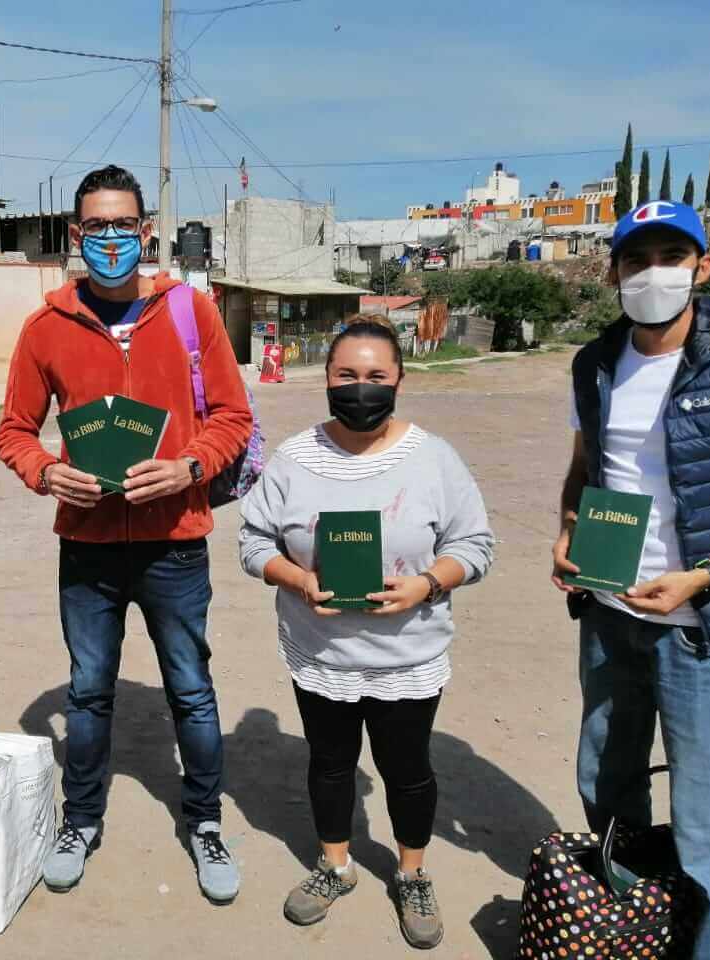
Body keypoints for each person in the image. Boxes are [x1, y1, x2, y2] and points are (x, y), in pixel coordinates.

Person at [0, 165, 253, 903]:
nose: (111, 240)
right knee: (88, 692)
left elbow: (233, 417)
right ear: (76, 234)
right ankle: (82, 820)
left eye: (123, 226)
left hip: (176, 540)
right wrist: (46, 472)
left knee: (192, 691)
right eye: (95, 227)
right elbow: (14, 431)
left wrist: (189, 469)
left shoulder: (188, 311)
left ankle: (204, 823)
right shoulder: (46, 327)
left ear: (146, 232)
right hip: (89, 545)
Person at [552, 200, 710, 959]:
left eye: (670, 257)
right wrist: (567, 535)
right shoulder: (596, 362)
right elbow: (590, 469)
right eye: (636, 258)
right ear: (615, 270)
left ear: (702, 266)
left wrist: (706, 575)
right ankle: (628, 928)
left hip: (702, 633)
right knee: (607, 785)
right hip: (612, 617)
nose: (652, 273)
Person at [239, 316, 493, 946]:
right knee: (328, 764)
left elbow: (475, 544)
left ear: (400, 378)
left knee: (407, 769)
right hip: (321, 651)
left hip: (408, 654)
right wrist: (295, 579)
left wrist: (428, 583)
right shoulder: (294, 459)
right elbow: (252, 542)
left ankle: (411, 873)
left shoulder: (434, 459)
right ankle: (336, 864)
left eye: (376, 376)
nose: (361, 388)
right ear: (325, 379)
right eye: (346, 375)